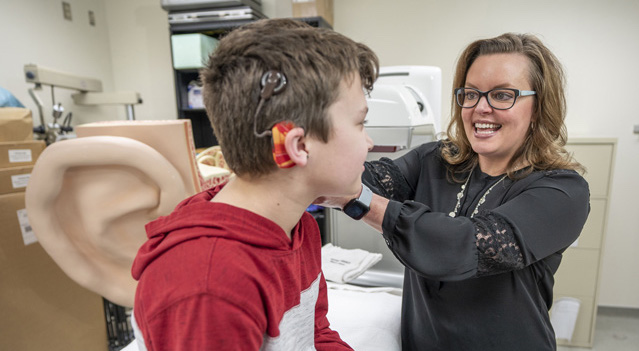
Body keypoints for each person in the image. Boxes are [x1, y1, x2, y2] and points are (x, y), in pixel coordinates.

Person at [320, 33, 590, 350]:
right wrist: (315, 161)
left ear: (539, 106)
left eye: (502, 96)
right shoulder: (436, 159)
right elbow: (373, 178)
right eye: (471, 94)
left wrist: (359, 201)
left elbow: (467, 246)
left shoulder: (562, 191)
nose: (481, 108)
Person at [131, 18, 378, 350]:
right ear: (298, 147)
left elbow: (314, 335)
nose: (370, 142)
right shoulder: (208, 284)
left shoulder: (298, 227)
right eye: (361, 123)